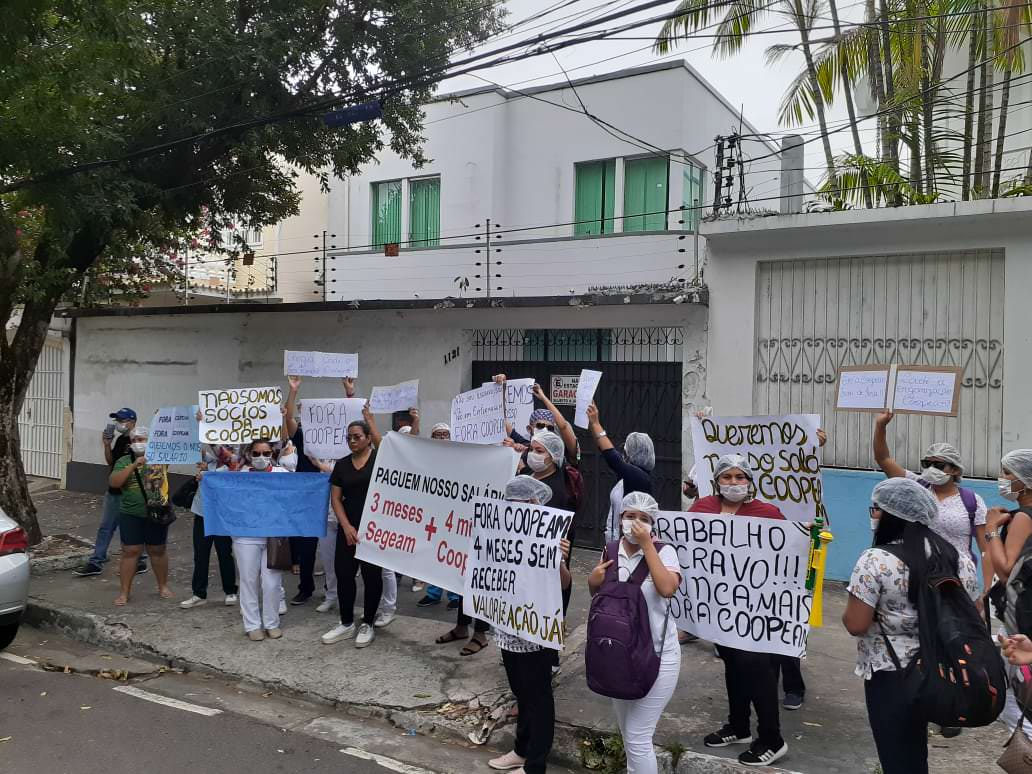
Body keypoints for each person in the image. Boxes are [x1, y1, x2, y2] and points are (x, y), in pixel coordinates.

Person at [843, 477, 978, 774]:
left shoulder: (876, 560)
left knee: (897, 756)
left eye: (876, 510)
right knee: (916, 757)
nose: (873, 516)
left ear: (892, 515)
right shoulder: (959, 559)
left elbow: (856, 623)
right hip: (944, 669)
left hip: (891, 673)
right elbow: (970, 611)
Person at [696, 454, 788, 766]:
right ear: (717, 480)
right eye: (727, 477)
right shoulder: (702, 509)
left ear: (749, 481)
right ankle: (738, 726)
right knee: (733, 665)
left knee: (757, 669)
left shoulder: (768, 513)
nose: (733, 483)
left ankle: (772, 738)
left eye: (740, 477)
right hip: (719, 607)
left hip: (757, 610)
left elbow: (788, 556)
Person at [588, 492, 680, 774]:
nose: (636, 523)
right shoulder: (611, 549)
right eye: (630, 516)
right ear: (620, 519)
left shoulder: (664, 551)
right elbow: (601, 596)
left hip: (657, 655)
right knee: (629, 735)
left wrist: (647, 547)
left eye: (644, 519)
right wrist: (594, 581)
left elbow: (667, 589)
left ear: (653, 524)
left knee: (639, 738)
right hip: (619, 654)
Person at [487, 475, 570, 774]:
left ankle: (536, 763)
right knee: (520, 691)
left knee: (538, 694)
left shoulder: (551, 535)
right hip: (508, 625)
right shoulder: (498, 531)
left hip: (535, 629)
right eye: (511, 500)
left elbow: (565, 585)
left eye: (522, 500)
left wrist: (560, 560)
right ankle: (521, 750)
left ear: (536, 503)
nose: (515, 505)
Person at [874, 412, 991, 594]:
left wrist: (988, 588)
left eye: (938, 465)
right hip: (918, 576)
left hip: (958, 579)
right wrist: (881, 426)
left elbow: (986, 550)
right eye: (926, 463)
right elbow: (883, 459)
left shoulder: (971, 502)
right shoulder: (916, 488)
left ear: (954, 469)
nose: (930, 469)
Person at [283, 376, 356, 606]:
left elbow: (352, 416)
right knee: (306, 547)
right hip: (308, 497)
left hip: (336, 500)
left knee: (332, 552)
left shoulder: (342, 440)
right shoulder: (303, 435)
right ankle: (306, 588)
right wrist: (293, 391)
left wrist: (349, 393)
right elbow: (289, 419)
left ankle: (332, 591)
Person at [322, 406, 384, 649]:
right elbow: (336, 498)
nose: (352, 441)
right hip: (348, 530)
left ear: (368, 438)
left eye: (357, 436)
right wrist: (346, 526)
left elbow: (388, 449)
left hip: (375, 529)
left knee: (372, 576)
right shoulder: (342, 465)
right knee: (344, 575)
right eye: (348, 437)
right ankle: (346, 622)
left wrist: (370, 419)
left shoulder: (379, 459)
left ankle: (367, 622)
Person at [983, 449, 1032, 736]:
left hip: (1022, 614)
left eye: (1007, 474)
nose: (1002, 480)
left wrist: (990, 529)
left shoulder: (1023, 518)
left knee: (1018, 696)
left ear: (1025, 480)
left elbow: (1006, 570)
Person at [223, 439, 288, 641]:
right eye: (257, 453)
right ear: (250, 454)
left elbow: (295, 498)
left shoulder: (283, 475)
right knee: (248, 580)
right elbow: (222, 493)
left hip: (273, 537)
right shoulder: (239, 476)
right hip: (246, 535)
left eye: (266, 453)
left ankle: (271, 622)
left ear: (273, 454)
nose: (262, 457)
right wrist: (203, 478)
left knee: (272, 582)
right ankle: (252, 625)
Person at [74, 408, 148, 578]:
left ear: (132, 422)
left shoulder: (141, 442)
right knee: (106, 527)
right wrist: (107, 445)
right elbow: (111, 462)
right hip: (114, 491)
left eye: (122, 420)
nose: (119, 424)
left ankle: (140, 559)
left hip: (130, 492)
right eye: (117, 421)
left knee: (132, 527)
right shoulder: (121, 440)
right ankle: (96, 561)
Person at [107, 426, 171, 606]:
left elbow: (176, 443)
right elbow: (114, 483)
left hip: (156, 511)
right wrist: (134, 465)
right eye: (134, 440)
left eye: (141, 439)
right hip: (130, 513)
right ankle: (124, 593)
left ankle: (163, 586)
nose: (137, 443)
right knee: (130, 551)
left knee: (157, 550)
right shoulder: (123, 461)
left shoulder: (160, 458)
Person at [180, 445, 239, 610]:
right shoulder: (210, 459)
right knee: (200, 553)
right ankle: (199, 594)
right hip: (202, 513)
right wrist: (199, 424)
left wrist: (208, 473)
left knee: (224, 553)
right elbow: (198, 450)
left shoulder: (234, 463)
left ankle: (230, 591)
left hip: (222, 515)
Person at [585, 401, 654, 541]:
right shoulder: (627, 475)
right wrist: (592, 423)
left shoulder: (639, 477)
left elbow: (612, 457)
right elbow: (604, 449)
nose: (622, 452)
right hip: (614, 538)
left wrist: (597, 423)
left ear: (631, 453)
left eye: (625, 450)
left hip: (629, 539)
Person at [417, 422, 461, 609]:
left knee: (452, 555)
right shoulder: (426, 459)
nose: (443, 438)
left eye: (446, 434)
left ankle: (455, 596)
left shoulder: (461, 458)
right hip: (433, 515)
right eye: (438, 435)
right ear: (432, 438)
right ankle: (433, 593)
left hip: (454, 515)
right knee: (433, 554)